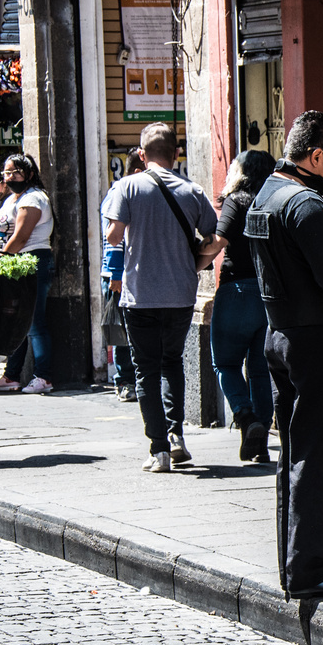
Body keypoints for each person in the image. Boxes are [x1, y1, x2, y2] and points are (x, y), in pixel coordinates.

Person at [245, 110, 323, 601]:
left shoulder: (266, 195)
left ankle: (296, 565)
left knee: (295, 457)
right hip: (321, 342)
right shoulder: (308, 206)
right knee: (320, 458)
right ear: (316, 156)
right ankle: (310, 571)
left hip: (283, 336)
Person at [105, 125, 218, 472]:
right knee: (173, 364)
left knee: (145, 371)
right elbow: (212, 239)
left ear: (141, 154)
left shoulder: (126, 187)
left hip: (140, 296)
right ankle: (176, 436)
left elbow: (112, 237)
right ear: (176, 153)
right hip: (181, 294)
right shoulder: (193, 190)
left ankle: (159, 450)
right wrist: (195, 262)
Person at [199, 150, 276, 464]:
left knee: (226, 364)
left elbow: (218, 242)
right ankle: (259, 444)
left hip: (237, 291)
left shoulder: (238, 200)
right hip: (268, 295)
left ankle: (245, 416)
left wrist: (192, 260)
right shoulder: (275, 202)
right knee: (260, 371)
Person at [0, 154, 56, 394]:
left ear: (29, 174)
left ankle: (44, 377)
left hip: (31, 262)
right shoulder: (13, 198)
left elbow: (21, 237)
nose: (9, 177)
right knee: (18, 321)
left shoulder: (34, 198)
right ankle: (12, 375)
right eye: (6, 172)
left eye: (15, 172)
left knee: (34, 322)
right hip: (15, 263)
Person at [101, 150, 145, 401]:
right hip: (118, 273)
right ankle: (125, 380)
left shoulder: (128, 190)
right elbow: (113, 238)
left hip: (130, 270)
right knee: (121, 330)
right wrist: (115, 273)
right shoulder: (121, 191)